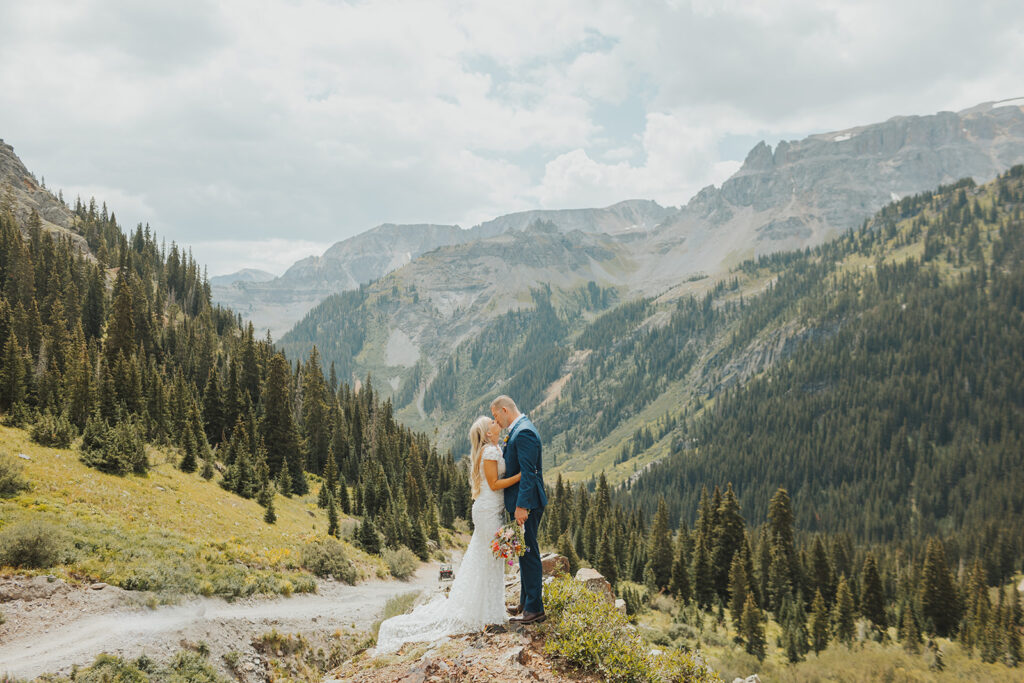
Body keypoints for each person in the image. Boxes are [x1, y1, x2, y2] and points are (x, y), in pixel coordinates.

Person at [375, 416, 520, 654]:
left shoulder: (493, 449)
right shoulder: (489, 452)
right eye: (492, 422)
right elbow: (494, 484)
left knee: (489, 558)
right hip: (487, 511)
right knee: (490, 558)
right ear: (487, 432)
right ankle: (487, 612)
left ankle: (489, 609)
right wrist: (521, 476)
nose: (496, 422)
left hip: (491, 509)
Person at [490, 395, 548, 624]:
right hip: (524, 504)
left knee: (529, 553)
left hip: (528, 505)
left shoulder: (523, 432)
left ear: (505, 410)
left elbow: (528, 473)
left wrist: (522, 506)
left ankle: (535, 609)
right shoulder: (519, 429)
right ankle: (526, 602)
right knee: (523, 552)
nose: (496, 421)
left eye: (496, 415)